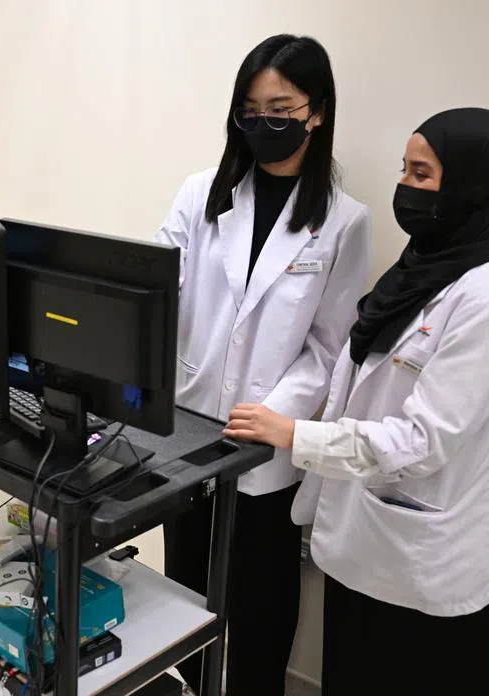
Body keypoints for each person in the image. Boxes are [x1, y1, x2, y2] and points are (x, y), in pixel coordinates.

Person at [224, 107, 489, 695]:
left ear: (473, 186)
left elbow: (423, 441)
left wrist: (294, 432)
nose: (405, 188)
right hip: (365, 548)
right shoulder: (426, 269)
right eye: (405, 170)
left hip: (426, 570)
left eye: (421, 175)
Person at [156, 34, 371, 695]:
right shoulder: (202, 195)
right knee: (182, 594)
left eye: (280, 109)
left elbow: (332, 345)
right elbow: (155, 291)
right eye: (250, 111)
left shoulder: (343, 222)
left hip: (268, 443)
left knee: (262, 605)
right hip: (187, 428)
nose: (263, 125)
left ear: (318, 112)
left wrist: (277, 411)